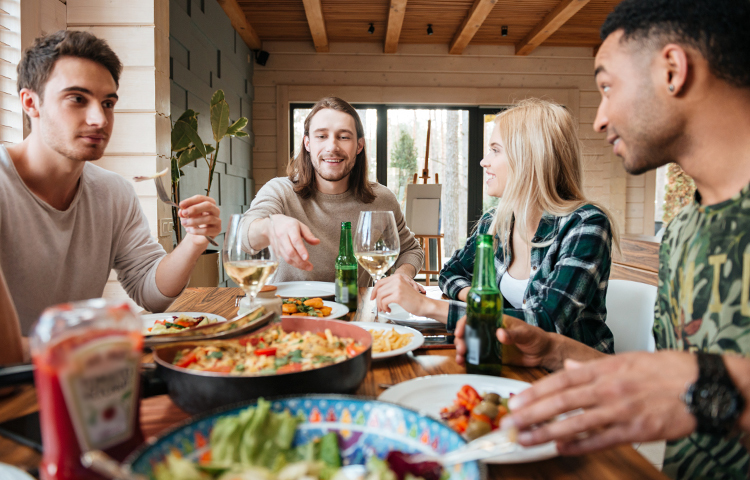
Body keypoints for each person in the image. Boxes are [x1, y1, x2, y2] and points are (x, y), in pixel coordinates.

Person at [452, 1, 750, 478]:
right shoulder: (683, 232)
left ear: (673, 71)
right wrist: (547, 349)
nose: (598, 118)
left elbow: (691, 384)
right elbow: (670, 391)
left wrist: (705, 384)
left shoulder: (588, 222)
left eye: (607, 86)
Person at [0, 30, 222, 337]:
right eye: (77, 99)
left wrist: (194, 241)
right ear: (30, 103)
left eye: (107, 103)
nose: (100, 119)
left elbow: (151, 293)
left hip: (83, 370)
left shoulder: (113, 193)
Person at [372, 99, 616, 352]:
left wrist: (428, 307)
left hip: (571, 377)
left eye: (496, 150)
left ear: (529, 157)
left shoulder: (585, 225)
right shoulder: (496, 221)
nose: (484, 161)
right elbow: (451, 273)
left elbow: (544, 325)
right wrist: (489, 305)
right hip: (509, 358)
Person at [242, 97, 424, 290]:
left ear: (359, 145)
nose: (332, 147)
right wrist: (269, 226)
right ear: (308, 143)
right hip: (290, 313)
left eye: (344, 137)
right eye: (321, 136)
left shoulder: (382, 198)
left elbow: (410, 249)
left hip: (354, 313)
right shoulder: (280, 190)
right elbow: (245, 233)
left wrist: (402, 275)